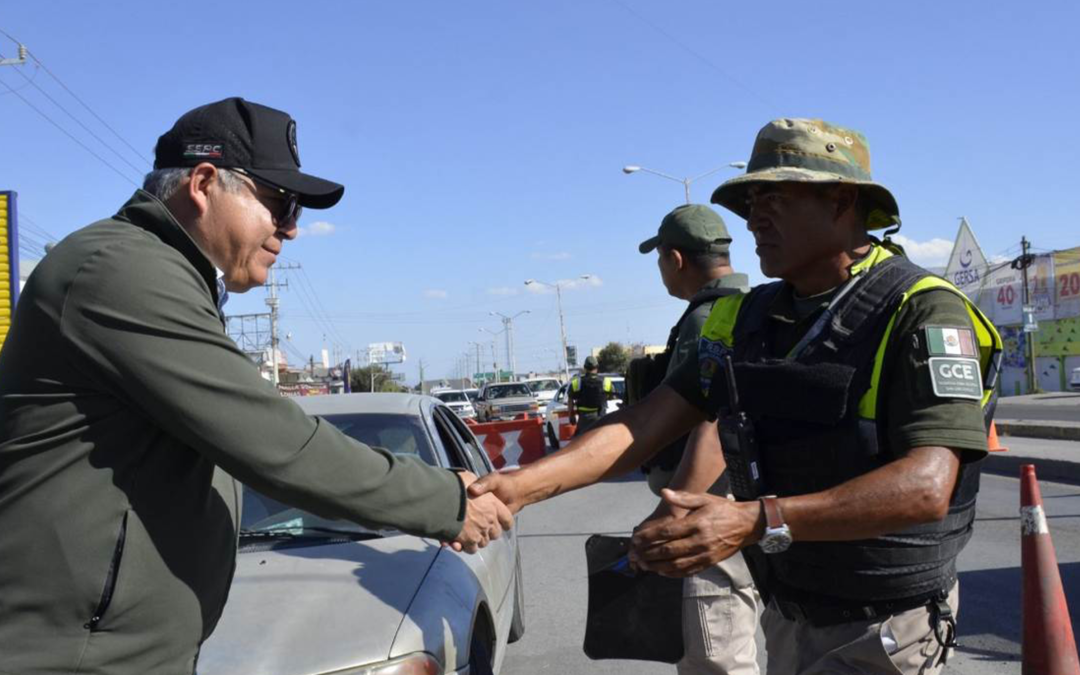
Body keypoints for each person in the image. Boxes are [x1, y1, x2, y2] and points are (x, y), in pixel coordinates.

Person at [471, 118, 1002, 675]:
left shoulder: (922, 309)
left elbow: (927, 486)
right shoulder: (746, 317)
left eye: (776, 197)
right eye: (750, 201)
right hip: (791, 612)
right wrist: (516, 487)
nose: (754, 218)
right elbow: (646, 423)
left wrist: (753, 520)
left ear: (843, 201)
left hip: (886, 626)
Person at [0, 98, 512, 675]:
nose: (291, 228)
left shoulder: (163, 275)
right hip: (75, 658)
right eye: (280, 202)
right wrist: (443, 501)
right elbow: (277, 444)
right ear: (203, 183)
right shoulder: (119, 272)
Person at [636, 203, 759, 675]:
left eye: (660, 259)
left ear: (676, 259)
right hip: (736, 485)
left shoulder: (705, 317)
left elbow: (697, 414)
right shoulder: (753, 306)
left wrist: (676, 507)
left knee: (713, 645)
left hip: (707, 491)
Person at [567, 355, 614, 437]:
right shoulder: (606, 381)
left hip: (584, 418)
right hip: (600, 416)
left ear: (585, 368)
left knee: (581, 441)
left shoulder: (576, 382)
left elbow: (570, 399)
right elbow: (612, 396)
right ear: (597, 367)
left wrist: (571, 415)